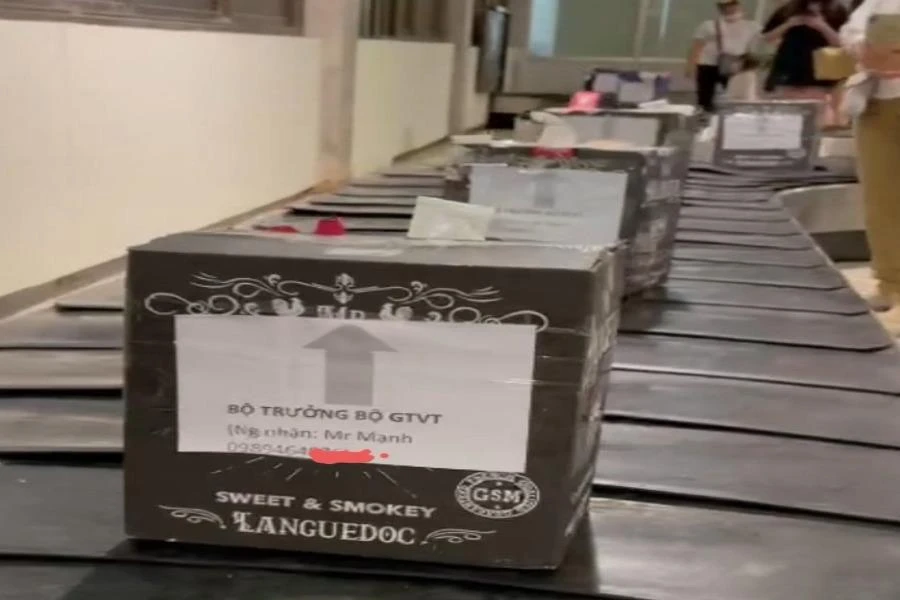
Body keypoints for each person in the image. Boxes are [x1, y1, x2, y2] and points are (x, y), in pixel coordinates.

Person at [841, 0, 900, 327]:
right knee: (881, 198)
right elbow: (851, 29)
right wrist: (863, 47)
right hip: (878, 101)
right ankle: (891, 285)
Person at [762, 0, 849, 100]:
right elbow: (766, 37)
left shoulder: (836, 10)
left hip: (821, 72)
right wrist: (789, 24)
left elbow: (842, 44)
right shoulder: (788, 9)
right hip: (788, 68)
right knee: (784, 105)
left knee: (816, 106)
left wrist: (821, 26)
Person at [687, 0, 762, 113]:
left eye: (733, 5)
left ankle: (730, 118)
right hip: (708, 65)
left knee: (736, 97)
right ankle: (705, 118)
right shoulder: (708, 25)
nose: (730, 8)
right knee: (705, 98)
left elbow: (768, 36)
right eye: (725, 6)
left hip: (735, 66)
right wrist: (691, 66)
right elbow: (697, 47)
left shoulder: (751, 26)